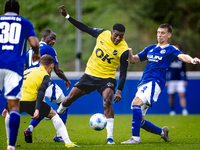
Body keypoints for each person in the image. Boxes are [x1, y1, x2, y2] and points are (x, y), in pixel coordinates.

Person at [57, 5, 129, 144]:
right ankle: (57, 113)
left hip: (107, 79)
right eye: (116, 35)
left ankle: (109, 138)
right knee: (68, 100)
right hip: (89, 75)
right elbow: (84, 27)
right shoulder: (102, 34)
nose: (118, 38)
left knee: (107, 101)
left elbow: (124, 72)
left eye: (121, 36)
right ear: (111, 32)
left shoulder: (124, 49)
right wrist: (67, 16)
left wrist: (119, 90)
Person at [121, 24, 200, 144]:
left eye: (163, 33)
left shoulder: (170, 49)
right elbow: (134, 60)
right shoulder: (150, 48)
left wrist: (192, 59)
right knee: (140, 120)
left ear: (169, 35)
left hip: (154, 82)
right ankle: (162, 132)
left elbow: (182, 56)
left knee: (135, 103)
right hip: (143, 82)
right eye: (158, 32)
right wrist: (130, 55)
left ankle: (136, 138)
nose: (160, 35)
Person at [6, 54, 77, 148]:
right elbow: (41, 92)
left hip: (17, 99)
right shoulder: (45, 75)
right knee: (53, 115)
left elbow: (15, 85)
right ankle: (68, 142)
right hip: (31, 101)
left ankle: (9, 142)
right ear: (51, 66)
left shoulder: (27, 71)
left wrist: (7, 107)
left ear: (40, 63)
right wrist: (37, 109)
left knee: (9, 115)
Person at [0, 1, 40, 150]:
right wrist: (36, 53)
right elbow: (34, 42)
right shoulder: (25, 22)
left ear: (4, 10)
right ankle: (11, 145)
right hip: (14, 66)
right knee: (14, 106)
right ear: (18, 10)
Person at [23, 29, 71, 143]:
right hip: (44, 82)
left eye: (55, 39)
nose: (53, 41)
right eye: (51, 38)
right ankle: (59, 135)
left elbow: (25, 67)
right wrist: (66, 80)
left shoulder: (29, 50)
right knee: (65, 103)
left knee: (40, 108)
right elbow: (57, 70)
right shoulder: (49, 49)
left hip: (31, 84)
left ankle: (29, 129)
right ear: (44, 37)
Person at [166, 44, 188, 116]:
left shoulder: (182, 59)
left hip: (180, 80)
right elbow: (166, 70)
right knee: (171, 95)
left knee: (181, 94)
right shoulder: (169, 59)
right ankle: (172, 110)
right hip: (171, 80)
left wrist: (185, 79)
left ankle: (184, 110)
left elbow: (184, 70)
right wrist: (166, 80)